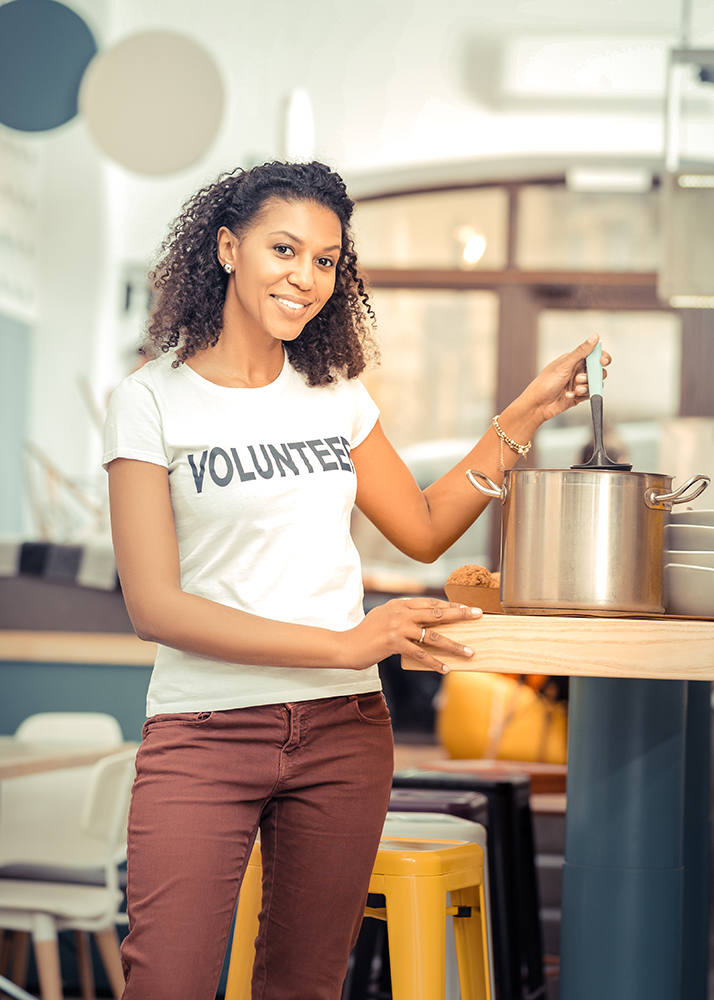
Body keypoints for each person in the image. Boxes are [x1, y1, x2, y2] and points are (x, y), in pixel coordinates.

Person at [103, 160, 609, 1000]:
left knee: (303, 986)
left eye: (327, 260)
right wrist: (347, 642)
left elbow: (420, 528)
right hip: (204, 734)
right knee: (167, 984)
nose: (305, 278)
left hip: (342, 734)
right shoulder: (152, 401)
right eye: (284, 249)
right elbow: (155, 606)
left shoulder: (334, 394)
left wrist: (522, 416)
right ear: (228, 248)